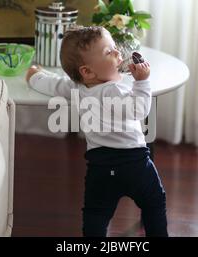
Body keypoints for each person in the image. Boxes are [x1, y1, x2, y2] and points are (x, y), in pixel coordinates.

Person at [26, 26, 168, 237]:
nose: (118, 53)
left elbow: (53, 84)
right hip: (135, 165)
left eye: (114, 48)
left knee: (95, 215)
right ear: (87, 71)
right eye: (109, 52)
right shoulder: (115, 90)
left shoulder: (77, 88)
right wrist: (142, 82)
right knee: (154, 202)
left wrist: (34, 75)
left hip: (100, 168)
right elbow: (139, 109)